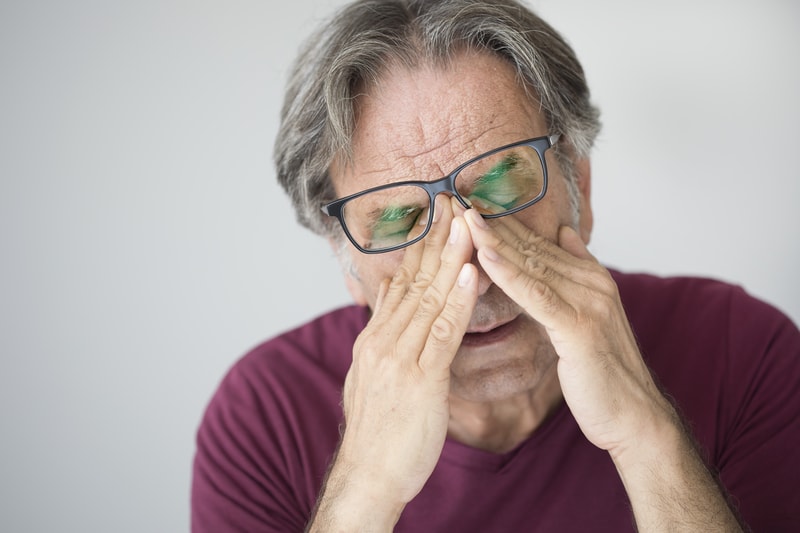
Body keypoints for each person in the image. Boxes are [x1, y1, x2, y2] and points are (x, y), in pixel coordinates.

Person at [191, 0, 800, 531]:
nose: (471, 267)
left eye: (504, 186)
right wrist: (364, 489)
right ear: (345, 256)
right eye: (402, 221)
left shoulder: (742, 350)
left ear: (579, 187)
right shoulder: (261, 418)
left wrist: (647, 435)